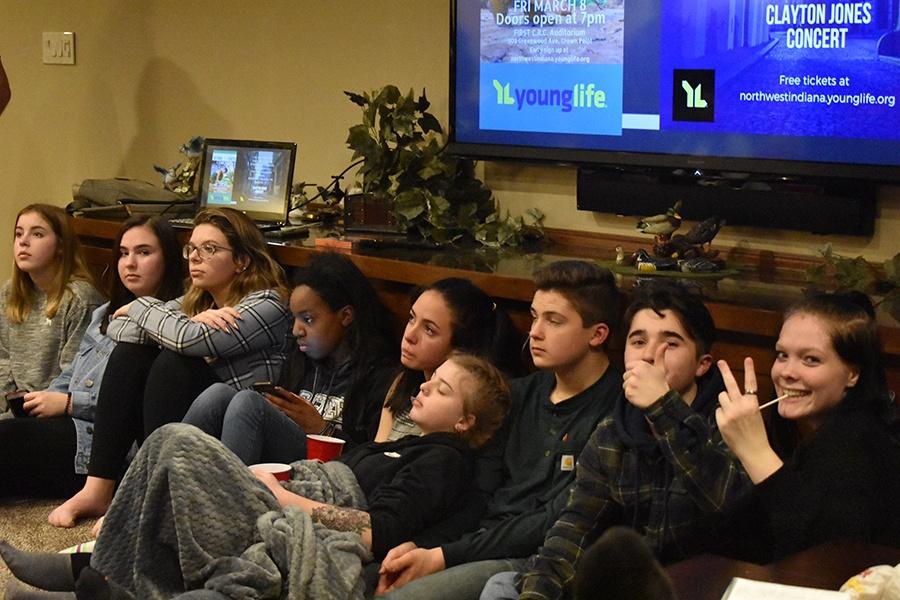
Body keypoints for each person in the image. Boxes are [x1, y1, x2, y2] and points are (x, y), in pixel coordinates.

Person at [0, 353, 512, 600]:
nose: (422, 389)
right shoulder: (408, 444)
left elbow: (373, 528)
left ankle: (99, 576)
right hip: (294, 493)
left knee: (176, 443)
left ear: (465, 422)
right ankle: (100, 575)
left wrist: (278, 495)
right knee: (165, 451)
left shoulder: (446, 461)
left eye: (440, 389)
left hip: (301, 518)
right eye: (429, 379)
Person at [487, 279, 752, 600]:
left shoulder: (729, 424)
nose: (651, 356)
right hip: (623, 589)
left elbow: (734, 512)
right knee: (503, 586)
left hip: (699, 588)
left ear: (702, 364)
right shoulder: (613, 433)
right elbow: (572, 532)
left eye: (671, 343)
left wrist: (663, 408)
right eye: (638, 342)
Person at [375, 260, 622, 600]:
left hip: (541, 559)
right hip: (477, 541)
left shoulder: (617, 408)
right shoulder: (519, 393)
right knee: (365, 573)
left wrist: (445, 555)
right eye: (535, 316)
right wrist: (426, 547)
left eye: (554, 321)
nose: (535, 331)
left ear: (597, 334)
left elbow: (555, 519)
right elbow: (478, 492)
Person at [49, 207, 292, 527]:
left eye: (210, 249)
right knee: (130, 356)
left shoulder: (268, 304)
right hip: (190, 421)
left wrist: (143, 308)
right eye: (192, 248)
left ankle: (151, 495)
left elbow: (187, 340)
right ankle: (98, 488)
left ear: (241, 260)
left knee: (173, 362)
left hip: (235, 424)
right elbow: (119, 331)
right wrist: (186, 323)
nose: (195, 257)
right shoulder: (198, 300)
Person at [0, 215, 183, 499]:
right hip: (68, 425)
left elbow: (137, 407)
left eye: (143, 253)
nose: (130, 263)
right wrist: (42, 402)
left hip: (102, 449)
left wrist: (71, 404)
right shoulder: (105, 313)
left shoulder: (174, 323)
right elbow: (71, 374)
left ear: (168, 259)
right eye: (123, 253)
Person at [712, 291, 900, 562]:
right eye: (782, 355)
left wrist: (755, 451)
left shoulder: (862, 442)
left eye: (811, 359)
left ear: (853, 374)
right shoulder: (825, 434)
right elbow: (738, 528)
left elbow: (826, 556)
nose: (787, 372)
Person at [183, 252, 398, 464]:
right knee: (217, 395)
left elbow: (374, 463)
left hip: (331, 471)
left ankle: (231, 496)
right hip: (284, 461)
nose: (296, 330)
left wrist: (321, 428)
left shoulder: (380, 376)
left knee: (248, 404)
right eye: (294, 318)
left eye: (308, 319)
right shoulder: (301, 361)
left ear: (345, 316)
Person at [375, 277, 525, 442]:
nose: (409, 335)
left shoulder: (468, 404)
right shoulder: (404, 382)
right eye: (412, 318)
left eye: (429, 330)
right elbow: (377, 450)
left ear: (461, 345)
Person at [1, 204, 104, 413]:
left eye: (37, 234)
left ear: (60, 246)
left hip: (52, 412)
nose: (23, 241)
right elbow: (3, 361)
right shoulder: (10, 292)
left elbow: (72, 379)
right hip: (14, 409)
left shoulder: (80, 299)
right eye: (18, 233)